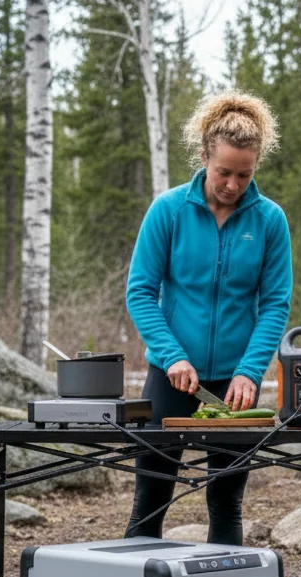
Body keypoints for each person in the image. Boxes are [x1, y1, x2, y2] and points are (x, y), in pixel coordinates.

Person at [124, 90, 292, 545]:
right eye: (223, 172)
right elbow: (140, 292)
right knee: (151, 498)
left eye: (244, 174)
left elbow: (275, 304)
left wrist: (249, 371)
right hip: (172, 377)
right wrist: (171, 355)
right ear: (203, 156)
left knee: (226, 502)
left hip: (234, 389)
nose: (233, 185)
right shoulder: (169, 211)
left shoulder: (270, 221)